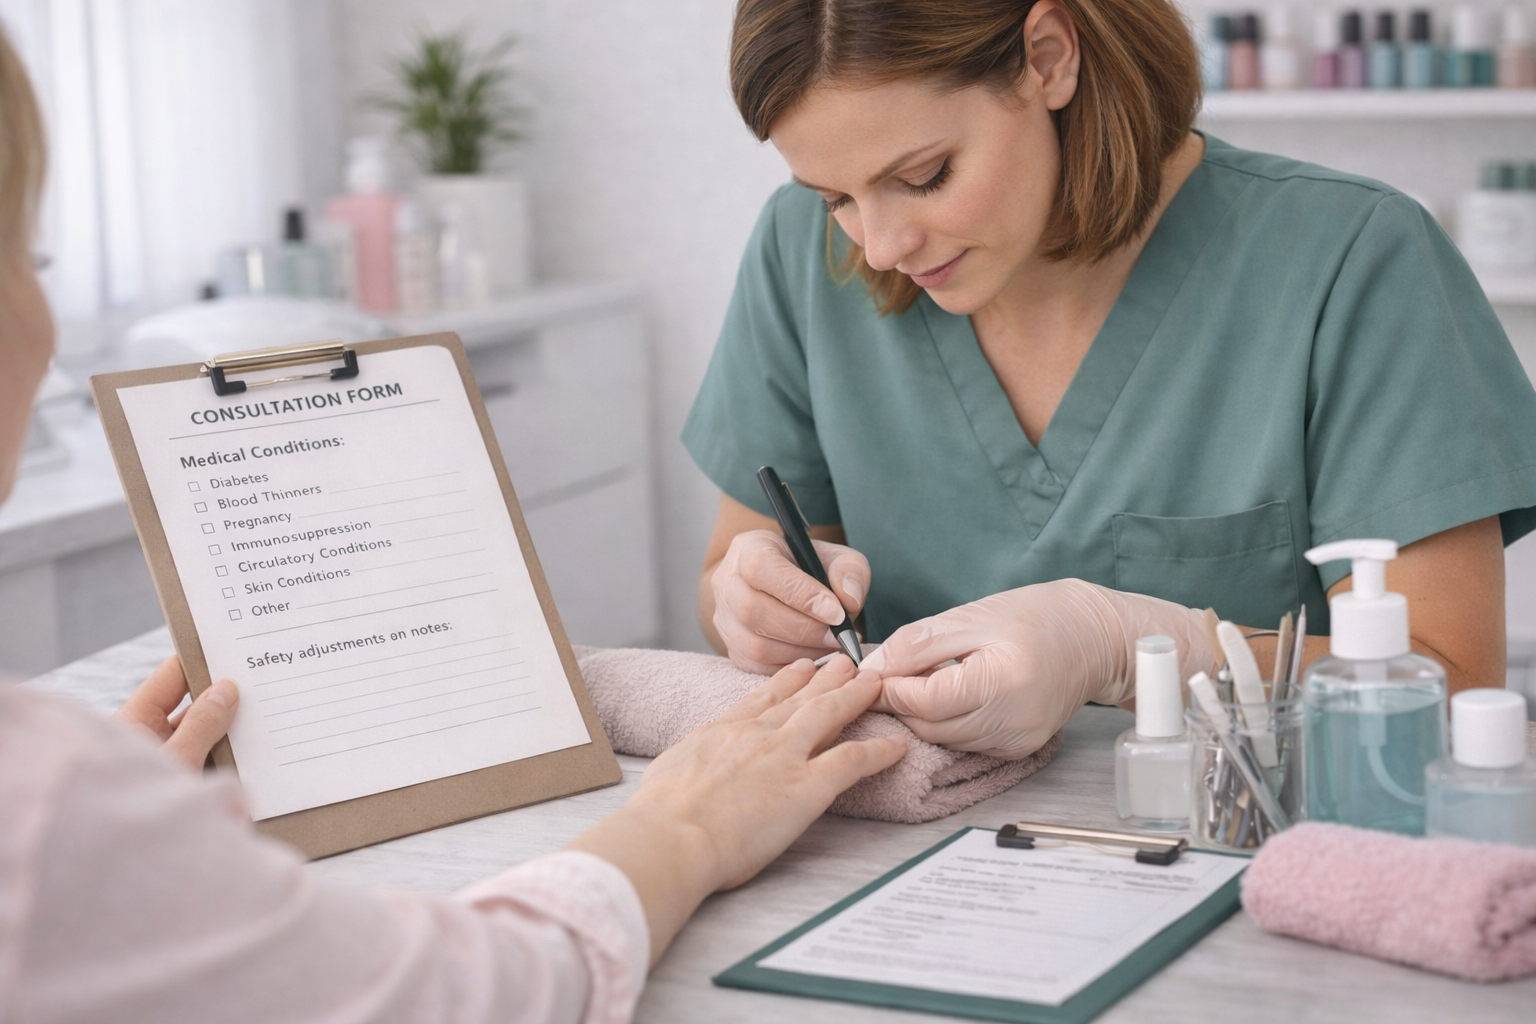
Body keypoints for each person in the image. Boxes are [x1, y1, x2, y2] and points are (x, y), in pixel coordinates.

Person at [0, 24, 906, 1023]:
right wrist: (685, 826)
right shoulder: (40, 806)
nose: (883, 240)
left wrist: (110, 845)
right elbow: (458, 992)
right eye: (27, 250)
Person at [688, 0, 1534, 758]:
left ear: (1051, 56)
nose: (876, 245)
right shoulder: (803, 253)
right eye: (835, 195)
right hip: (906, 863)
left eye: (923, 177)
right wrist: (749, 603)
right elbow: (736, 563)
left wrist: (1131, 648)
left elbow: (1452, 689)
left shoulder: (1352, 262)